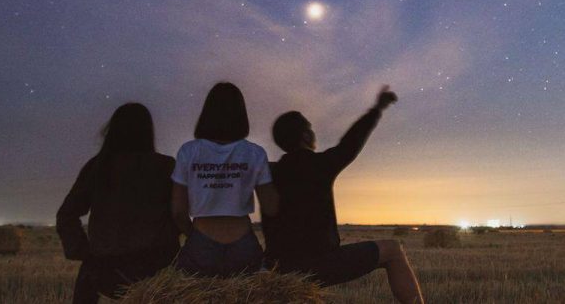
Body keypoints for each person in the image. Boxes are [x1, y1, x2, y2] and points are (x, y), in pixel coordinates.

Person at [264, 85, 424, 304]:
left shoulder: (269, 171)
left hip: (279, 267)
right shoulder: (320, 165)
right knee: (393, 250)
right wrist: (377, 109)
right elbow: (351, 142)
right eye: (310, 129)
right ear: (305, 135)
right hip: (318, 265)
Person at [56, 103, 180, 304]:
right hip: (158, 270)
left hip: (106, 271)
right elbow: (180, 213)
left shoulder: (98, 167)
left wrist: (85, 254)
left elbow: (66, 215)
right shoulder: (165, 166)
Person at [171, 82, 279, 278]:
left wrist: (194, 236)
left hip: (201, 241)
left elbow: (178, 212)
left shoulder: (188, 151)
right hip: (243, 243)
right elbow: (271, 207)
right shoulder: (255, 153)